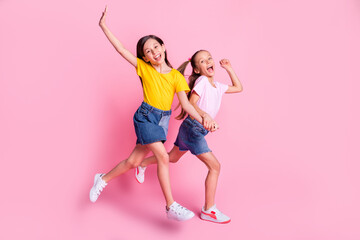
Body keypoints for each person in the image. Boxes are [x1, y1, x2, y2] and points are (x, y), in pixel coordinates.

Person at [90, 7, 215, 222]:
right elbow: (121, 49)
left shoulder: (176, 76)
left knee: (132, 162)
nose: (153, 52)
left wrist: (204, 116)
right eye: (148, 51)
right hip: (146, 117)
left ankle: (102, 178)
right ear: (145, 58)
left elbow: (186, 104)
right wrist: (103, 26)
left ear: (163, 47)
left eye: (156, 46)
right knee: (163, 157)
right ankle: (170, 206)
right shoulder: (144, 69)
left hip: (163, 120)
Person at [135, 50, 243, 224]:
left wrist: (229, 69)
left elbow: (238, 88)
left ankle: (143, 163)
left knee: (172, 158)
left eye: (209, 58)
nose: (208, 61)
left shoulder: (217, 86)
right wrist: (205, 117)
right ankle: (209, 209)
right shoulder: (201, 82)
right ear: (197, 69)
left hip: (192, 129)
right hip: (194, 128)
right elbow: (191, 104)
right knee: (215, 167)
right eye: (202, 61)